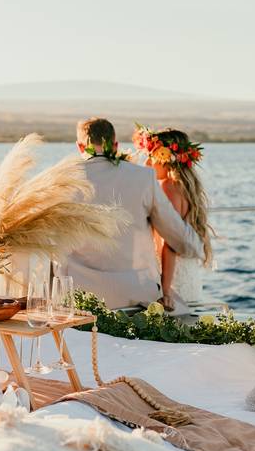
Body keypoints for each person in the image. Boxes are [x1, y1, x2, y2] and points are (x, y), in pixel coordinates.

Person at [60, 117, 205, 309]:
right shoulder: (143, 177)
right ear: (115, 145)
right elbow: (176, 234)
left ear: (80, 147)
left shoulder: (61, 180)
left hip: (78, 295)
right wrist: (198, 248)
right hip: (136, 294)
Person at [133, 126, 213, 311]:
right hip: (187, 274)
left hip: (173, 279)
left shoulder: (169, 186)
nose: (147, 163)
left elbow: (171, 242)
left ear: (165, 158)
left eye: (151, 156)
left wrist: (166, 291)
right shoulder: (182, 186)